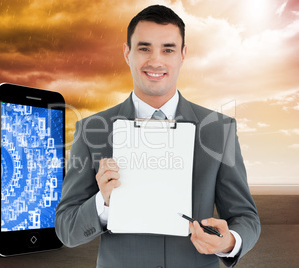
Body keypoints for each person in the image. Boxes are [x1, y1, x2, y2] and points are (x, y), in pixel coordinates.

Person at [55, 5, 260, 268]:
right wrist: (102, 203)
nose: (156, 61)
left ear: (183, 55)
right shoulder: (92, 130)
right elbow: (66, 228)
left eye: (168, 49)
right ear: (127, 53)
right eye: (144, 48)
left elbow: (245, 216)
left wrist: (230, 241)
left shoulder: (218, 130)